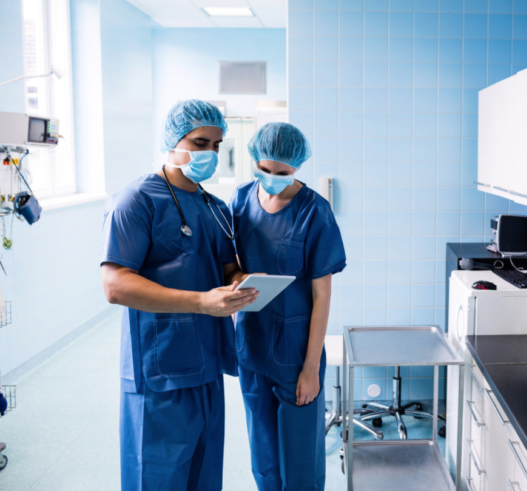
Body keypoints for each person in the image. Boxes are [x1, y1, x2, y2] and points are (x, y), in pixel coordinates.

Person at [101, 99, 257, 491]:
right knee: (156, 478)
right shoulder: (136, 201)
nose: (210, 154)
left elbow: (225, 266)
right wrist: (202, 302)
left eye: (217, 145)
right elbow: (115, 284)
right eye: (200, 142)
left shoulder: (214, 207)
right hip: (159, 372)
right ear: (172, 140)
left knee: (203, 477)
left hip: (206, 367)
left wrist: (241, 280)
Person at [230, 122, 346, 491]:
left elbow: (322, 295)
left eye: (282, 173)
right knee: (263, 453)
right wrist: (238, 279)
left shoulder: (315, 211)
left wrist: (311, 368)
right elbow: (229, 263)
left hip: (296, 351)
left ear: (297, 167)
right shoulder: (241, 200)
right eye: (264, 170)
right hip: (252, 343)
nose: (271, 178)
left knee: (300, 461)